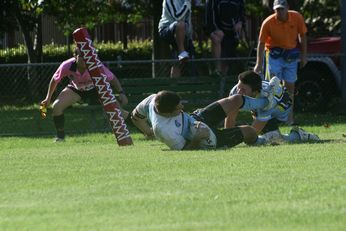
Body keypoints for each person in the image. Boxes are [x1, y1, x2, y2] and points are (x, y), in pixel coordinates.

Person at [130, 88, 279, 150]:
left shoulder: (153, 99)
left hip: (196, 118)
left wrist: (147, 132)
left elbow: (135, 116)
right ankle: (263, 141)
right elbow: (185, 151)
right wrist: (196, 138)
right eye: (178, 108)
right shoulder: (163, 130)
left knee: (235, 100)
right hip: (205, 139)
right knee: (250, 131)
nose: (182, 106)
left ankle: (267, 102)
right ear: (168, 114)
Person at [41, 47, 128, 142]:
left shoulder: (95, 64)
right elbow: (55, 79)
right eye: (81, 56)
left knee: (119, 111)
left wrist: (121, 93)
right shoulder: (67, 65)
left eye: (87, 56)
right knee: (57, 106)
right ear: (75, 56)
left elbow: (112, 78)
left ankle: (140, 126)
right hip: (76, 89)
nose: (85, 59)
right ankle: (60, 137)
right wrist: (48, 98)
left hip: (97, 89)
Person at [225, 70, 320, 144]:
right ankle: (279, 134)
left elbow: (253, 132)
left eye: (243, 89)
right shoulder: (235, 91)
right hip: (264, 104)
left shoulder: (266, 100)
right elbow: (230, 117)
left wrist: (237, 139)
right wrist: (227, 138)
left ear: (254, 92)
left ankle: (298, 135)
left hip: (281, 107)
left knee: (266, 139)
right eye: (238, 87)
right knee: (263, 137)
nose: (238, 92)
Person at [253, 0, 307, 125]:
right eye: (277, 9)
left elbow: (303, 36)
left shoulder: (297, 17)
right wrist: (259, 63)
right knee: (272, 86)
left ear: (287, 7)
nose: (280, 12)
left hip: (291, 56)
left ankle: (289, 119)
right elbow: (261, 43)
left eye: (282, 9)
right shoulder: (268, 22)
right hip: (273, 56)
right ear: (274, 9)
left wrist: (304, 56)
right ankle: (270, 118)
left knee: (290, 88)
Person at [205, 0, 245, 76]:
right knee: (217, 39)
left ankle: (224, 76)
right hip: (217, 32)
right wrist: (215, 29)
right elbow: (209, 17)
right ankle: (217, 71)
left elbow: (242, 12)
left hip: (232, 33)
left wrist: (240, 22)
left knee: (227, 59)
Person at [158, 0, 194, 78]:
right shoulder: (169, 1)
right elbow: (177, 17)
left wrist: (190, 38)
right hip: (166, 29)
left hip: (181, 33)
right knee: (180, 24)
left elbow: (188, 21)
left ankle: (175, 87)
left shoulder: (185, 2)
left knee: (178, 62)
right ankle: (182, 52)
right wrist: (187, 3)